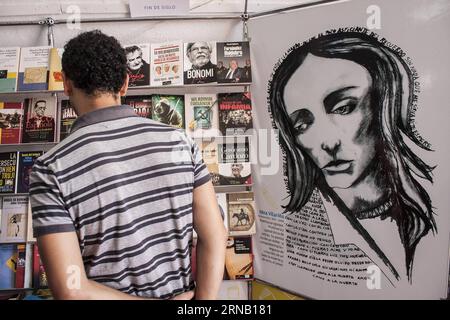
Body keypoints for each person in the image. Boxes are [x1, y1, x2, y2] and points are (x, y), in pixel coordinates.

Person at [29, 30, 227, 300]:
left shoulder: (50, 168)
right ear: (124, 83)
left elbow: (71, 289)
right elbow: (215, 234)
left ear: (66, 84)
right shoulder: (179, 142)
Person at [268, 31, 436, 284]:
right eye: (302, 126)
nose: (327, 142)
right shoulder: (306, 224)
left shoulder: (431, 208)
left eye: (343, 107)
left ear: (384, 102)